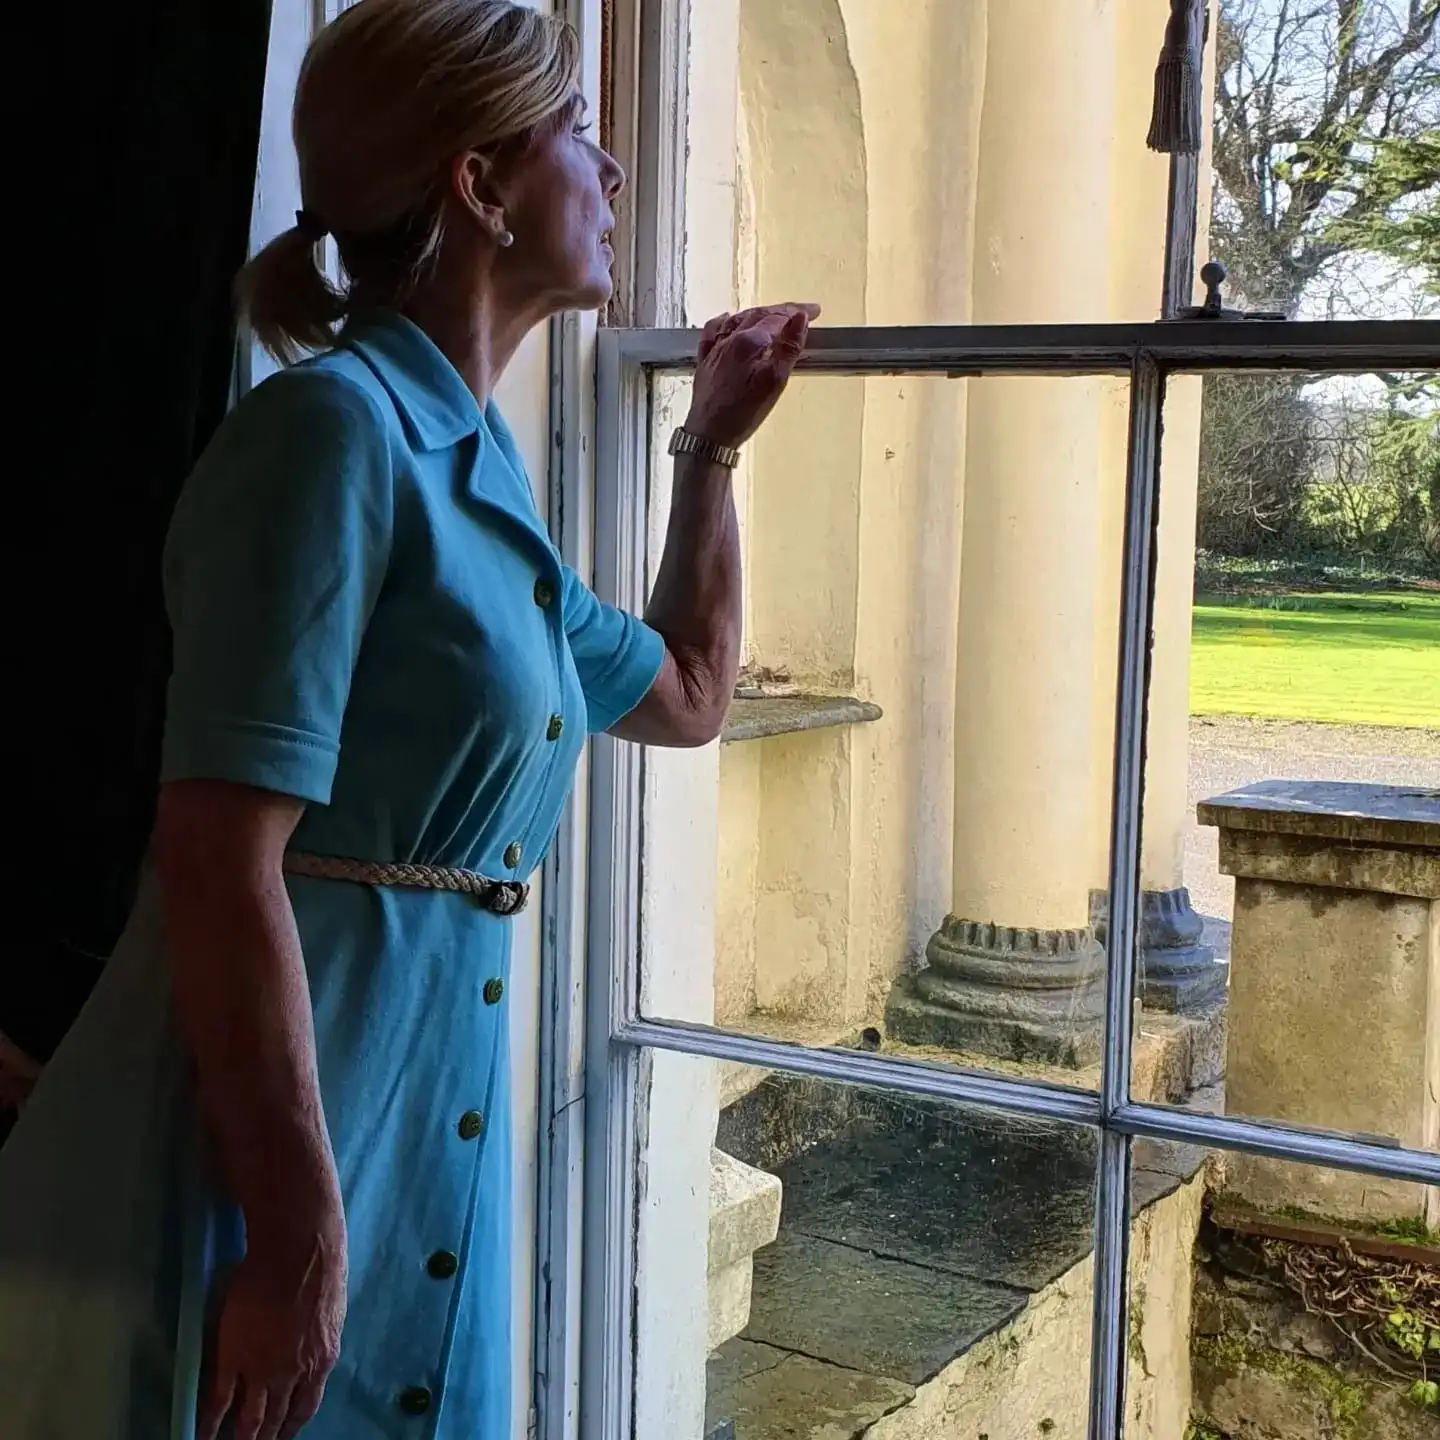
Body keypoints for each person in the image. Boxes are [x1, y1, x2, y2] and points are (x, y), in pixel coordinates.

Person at [0, 2, 818, 1436]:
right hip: (251, 1172)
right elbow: (214, 856)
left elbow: (688, 696)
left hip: (406, 1138)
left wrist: (707, 449)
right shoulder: (327, 438)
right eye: (578, 130)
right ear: (479, 182)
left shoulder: (477, 479)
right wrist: (301, 1238)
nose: (615, 169)